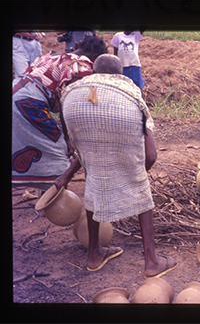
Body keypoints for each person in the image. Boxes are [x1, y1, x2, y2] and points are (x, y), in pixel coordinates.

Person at [57, 54, 178, 276]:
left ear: (95, 71)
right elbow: (150, 156)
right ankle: (151, 261)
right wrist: (135, 176)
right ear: (119, 75)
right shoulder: (129, 90)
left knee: (94, 177)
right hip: (121, 114)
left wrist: (67, 175)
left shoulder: (77, 86)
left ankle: (94, 254)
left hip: (72, 109)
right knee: (142, 191)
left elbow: (85, 152)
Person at [12, 35, 108, 190]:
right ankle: (56, 201)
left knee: (35, 142)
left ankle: (44, 190)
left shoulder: (51, 56)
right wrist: (67, 138)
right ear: (95, 56)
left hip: (15, 93)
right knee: (59, 153)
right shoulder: (79, 64)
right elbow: (67, 102)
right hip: (29, 103)